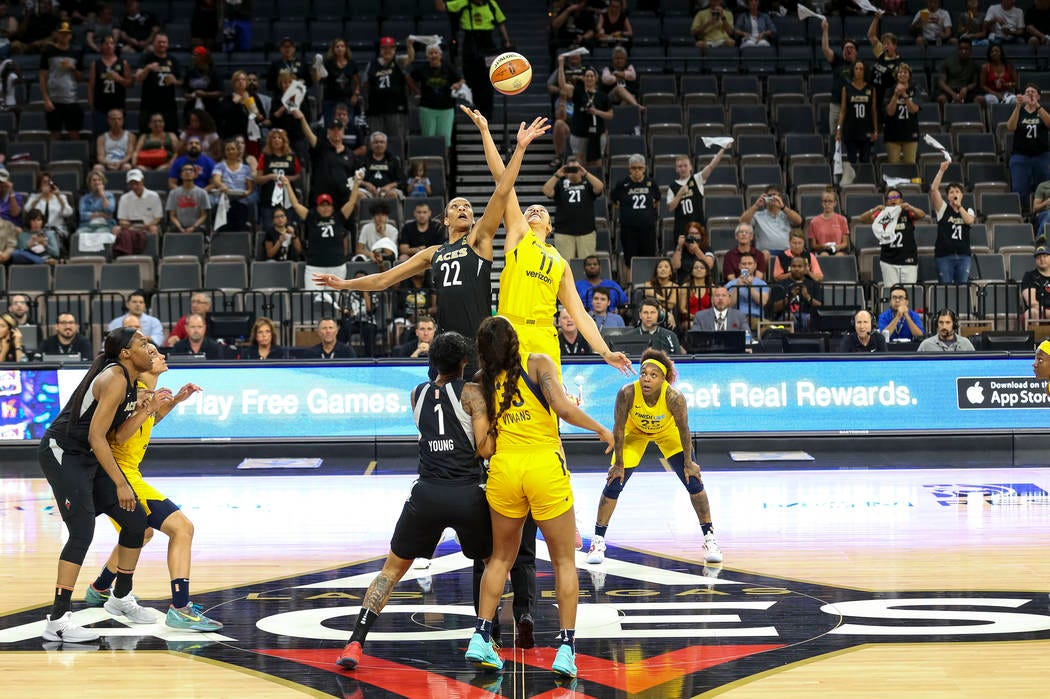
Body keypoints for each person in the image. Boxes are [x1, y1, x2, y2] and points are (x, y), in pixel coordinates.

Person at [465, 316, 613, 678]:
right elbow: (563, 409)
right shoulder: (539, 364)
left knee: (499, 559)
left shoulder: (478, 385)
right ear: (515, 341)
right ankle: (566, 648)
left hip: (504, 470)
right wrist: (600, 428)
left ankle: (481, 636)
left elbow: (483, 448)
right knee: (563, 561)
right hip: (545, 467)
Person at [337, 332, 491, 671]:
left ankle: (355, 641)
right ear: (465, 362)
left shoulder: (416, 393)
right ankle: (483, 636)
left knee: (390, 571)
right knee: (493, 562)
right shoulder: (473, 394)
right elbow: (485, 449)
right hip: (466, 492)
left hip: (427, 493)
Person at [466, 108, 632, 376]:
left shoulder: (560, 262)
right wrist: (493, 135)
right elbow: (502, 180)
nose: (534, 210)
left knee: (549, 408)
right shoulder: (520, 234)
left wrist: (605, 352)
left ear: (550, 225)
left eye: (540, 210)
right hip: (511, 329)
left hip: (545, 333)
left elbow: (579, 314)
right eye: (529, 208)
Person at [82, 342, 221, 630]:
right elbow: (120, 436)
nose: (160, 356)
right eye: (154, 353)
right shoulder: (129, 392)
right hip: (119, 477)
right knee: (182, 528)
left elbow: (148, 422)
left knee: (141, 534)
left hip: (129, 474)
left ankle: (99, 588)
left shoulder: (143, 393)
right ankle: (180, 608)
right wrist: (148, 409)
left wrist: (174, 402)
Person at [37, 327, 153, 643]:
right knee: (82, 531)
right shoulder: (114, 378)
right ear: (126, 353)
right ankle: (58, 619)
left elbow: (115, 437)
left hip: (90, 454)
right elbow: (95, 437)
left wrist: (146, 411)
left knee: (135, 522)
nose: (150, 346)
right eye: (143, 343)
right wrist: (121, 483)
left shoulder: (132, 383)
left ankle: (121, 597)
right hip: (64, 451)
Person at [586, 348, 722, 570]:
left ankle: (710, 539)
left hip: (668, 433)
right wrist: (619, 464)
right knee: (613, 483)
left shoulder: (674, 397)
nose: (646, 378)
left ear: (663, 378)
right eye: (643, 373)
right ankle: (598, 542)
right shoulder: (627, 393)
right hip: (635, 433)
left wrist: (689, 462)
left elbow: (684, 430)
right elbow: (618, 429)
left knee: (694, 481)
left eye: (653, 375)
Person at [282, 171, 362, 290]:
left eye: (328, 205)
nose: (325, 208)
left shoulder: (339, 217)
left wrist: (356, 183)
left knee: (334, 300)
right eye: (322, 205)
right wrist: (287, 185)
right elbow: (295, 205)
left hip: (337, 266)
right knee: (312, 299)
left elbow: (351, 202)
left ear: (332, 206)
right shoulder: (311, 217)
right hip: (315, 267)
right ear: (317, 207)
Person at [448, 0, 511, 119]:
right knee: (471, 76)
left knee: (488, 77)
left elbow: (501, 22)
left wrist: (507, 40)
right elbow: (442, 7)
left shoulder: (491, 4)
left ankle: (488, 111)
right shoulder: (463, 3)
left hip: (488, 44)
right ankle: (476, 108)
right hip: (470, 41)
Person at [542, 155, 604, 260]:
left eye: (576, 168)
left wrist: (586, 173)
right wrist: (557, 175)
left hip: (586, 231)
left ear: (581, 169)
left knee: (587, 263)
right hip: (564, 232)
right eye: (570, 168)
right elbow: (546, 191)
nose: (573, 171)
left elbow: (599, 187)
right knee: (565, 266)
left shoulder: (588, 183)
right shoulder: (560, 184)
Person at [857, 188, 925, 285]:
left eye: (896, 197)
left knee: (909, 292)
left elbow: (922, 215)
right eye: (890, 198)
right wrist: (875, 209)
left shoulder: (907, 212)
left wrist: (911, 207)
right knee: (892, 292)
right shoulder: (883, 214)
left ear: (901, 200)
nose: (893, 199)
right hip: (889, 261)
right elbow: (862, 219)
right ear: (886, 202)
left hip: (908, 260)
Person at [610, 154, 660, 278]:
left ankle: (649, 286)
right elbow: (614, 201)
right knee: (630, 261)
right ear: (629, 168)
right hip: (629, 230)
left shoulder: (651, 183)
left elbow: (657, 200)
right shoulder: (622, 184)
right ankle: (631, 289)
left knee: (649, 259)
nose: (637, 171)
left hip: (648, 229)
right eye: (633, 168)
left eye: (639, 168)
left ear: (644, 168)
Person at [557, 62, 612, 172]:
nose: (589, 78)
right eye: (587, 76)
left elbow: (610, 115)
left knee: (597, 162)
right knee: (580, 163)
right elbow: (562, 85)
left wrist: (596, 112)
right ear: (583, 78)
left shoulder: (602, 96)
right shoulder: (577, 91)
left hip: (597, 133)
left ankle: (597, 187)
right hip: (579, 133)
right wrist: (561, 64)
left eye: (592, 76)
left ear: (596, 78)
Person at [667, 148, 729, 245]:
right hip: (681, 229)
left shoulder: (697, 179)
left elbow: (711, 166)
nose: (683, 168)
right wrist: (679, 194)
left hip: (698, 227)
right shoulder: (672, 186)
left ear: (690, 167)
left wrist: (722, 149)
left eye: (685, 166)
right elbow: (670, 207)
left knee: (699, 256)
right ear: (676, 169)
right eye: (680, 166)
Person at [409, 43, 462, 149]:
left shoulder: (448, 66)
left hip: (446, 108)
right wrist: (417, 91)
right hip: (427, 108)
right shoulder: (422, 68)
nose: (433, 55)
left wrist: (458, 84)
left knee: (445, 139)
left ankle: (445, 163)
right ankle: (429, 162)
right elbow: (409, 78)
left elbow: (461, 79)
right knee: (428, 138)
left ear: (440, 55)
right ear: (427, 56)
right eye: (430, 53)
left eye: (435, 53)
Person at [931, 160, 976, 284]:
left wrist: (959, 207)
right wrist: (941, 170)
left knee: (961, 290)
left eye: (957, 191)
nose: (954, 194)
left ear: (962, 195)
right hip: (944, 256)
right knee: (945, 289)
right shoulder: (943, 209)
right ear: (947, 196)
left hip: (963, 256)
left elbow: (969, 221)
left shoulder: (968, 210)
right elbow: (934, 190)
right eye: (951, 192)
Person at [364, 37, 413, 148]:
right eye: (384, 48)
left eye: (390, 48)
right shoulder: (371, 64)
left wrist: (409, 46)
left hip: (395, 109)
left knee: (396, 140)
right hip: (375, 110)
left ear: (395, 49)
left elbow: (410, 58)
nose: (387, 51)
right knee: (376, 139)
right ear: (380, 49)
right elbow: (365, 84)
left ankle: (397, 162)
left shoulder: (398, 61)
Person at [1007, 84, 1050, 210]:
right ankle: (1022, 214)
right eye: (1027, 92)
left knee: (1044, 188)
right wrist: (1018, 106)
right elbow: (1010, 127)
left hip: (1041, 155)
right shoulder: (1019, 111)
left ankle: (1041, 213)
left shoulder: (1042, 110)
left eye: (1033, 91)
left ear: (1038, 96)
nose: (1030, 93)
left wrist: (1037, 106)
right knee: (1019, 189)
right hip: (1021, 156)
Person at [39, 21, 84, 141]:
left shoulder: (76, 53)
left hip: (71, 99)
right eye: (62, 33)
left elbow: (80, 78)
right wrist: (46, 99)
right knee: (55, 134)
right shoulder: (48, 51)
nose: (65, 36)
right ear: (57, 35)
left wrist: (73, 68)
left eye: (67, 33)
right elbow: (42, 76)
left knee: (74, 133)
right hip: (53, 101)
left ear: (70, 35)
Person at [255, 128, 302, 230]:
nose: (276, 140)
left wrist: (287, 179)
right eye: (274, 138)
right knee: (269, 228)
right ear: (270, 141)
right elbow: (258, 178)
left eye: (279, 138)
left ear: (284, 141)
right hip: (268, 197)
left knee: (288, 227)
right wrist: (271, 176)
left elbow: (298, 175)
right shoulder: (265, 156)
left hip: (287, 197)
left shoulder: (291, 156)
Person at [134, 33, 181, 135]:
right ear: (153, 43)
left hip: (168, 105)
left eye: (164, 42)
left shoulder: (173, 60)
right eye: (159, 42)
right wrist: (147, 68)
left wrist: (175, 81)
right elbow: (138, 78)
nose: (162, 44)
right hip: (149, 104)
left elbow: (182, 82)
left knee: (171, 134)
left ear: (167, 44)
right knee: (146, 134)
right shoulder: (146, 58)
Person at [739, 186, 802, 259]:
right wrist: (756, 205)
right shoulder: (758, 215)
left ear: (780, 198)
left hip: (786, 252)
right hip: (766, 253)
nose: (772, 198)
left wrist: (783, 207)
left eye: (775, 195)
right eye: (769, 196)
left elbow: (798, 221)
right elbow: (742, 222)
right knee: (764, 254)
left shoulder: (787, 214)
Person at [821, 20, 860, 134]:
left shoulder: (860, 65)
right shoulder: (837, 61)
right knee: (835, 133)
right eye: (846, 48)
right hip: (836, 104)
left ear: (856, 52)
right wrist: (825, 30)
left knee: (851, 134)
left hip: (852, 104)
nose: (848, 49)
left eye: (851, 48)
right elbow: (825, 49)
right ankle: (835, 152)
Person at [88, 35, 132, 137]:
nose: (109, 46)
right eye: (106, 43)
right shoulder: (96, 64)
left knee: (118, 138)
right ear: (102, 46)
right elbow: (91, 86)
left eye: (112, 43)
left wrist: (119, 79)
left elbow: (130, 84)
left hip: (118, 107)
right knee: (100, 137)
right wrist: (91, 105)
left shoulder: (123, 63)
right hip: (100, 108)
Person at [837, 60, 878, 165]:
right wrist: (838, 130)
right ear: (853, 71)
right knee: (852, 161)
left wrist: (876, 130)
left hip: (866, 130)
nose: (859, 71)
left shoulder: (871, 89)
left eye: (861, 69)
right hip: (850, 130)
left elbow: (873, 110)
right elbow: (842, 111)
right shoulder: (846, 88)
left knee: (865, 161)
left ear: (865, 71)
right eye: (856, 68)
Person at [208, 139, 255, 232]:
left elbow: (250, 189)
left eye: (232, 149)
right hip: (224, 200)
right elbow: (216, 179)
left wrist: (247, 193)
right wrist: (221, 185)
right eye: (227, 149)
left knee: (240, 216)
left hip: (241, 200)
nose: (230, 151)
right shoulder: (219, 166)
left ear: (238, 151)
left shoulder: (246, 169)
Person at [882, 63, 923, 165]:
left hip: (910, 134)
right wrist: (896, 95)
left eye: (905, 72)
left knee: (910, 164)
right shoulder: (890, 90)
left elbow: (914, 109)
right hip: (892, 134)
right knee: (894, 165)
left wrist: (905, 95)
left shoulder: (915, 89)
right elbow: (890, 112)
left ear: (909, 75)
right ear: (896, 75)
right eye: (900, 72)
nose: (902, 74)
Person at [770, 256, 824, 331]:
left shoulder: (813, 284)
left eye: (800, 266)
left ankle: (808, 340)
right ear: (790, 268)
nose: (796, 269)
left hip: (807, 315)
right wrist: (790, 297)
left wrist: (807, 296)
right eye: (794, 266)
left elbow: (820, 307)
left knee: (809, 318)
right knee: (788, 317)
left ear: (805, 268)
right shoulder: (781, 285)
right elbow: (774, 308)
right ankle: (789, 340)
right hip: (785, 316)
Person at [315, 38, 360, 123]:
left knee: (348, 124)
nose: (340, 48)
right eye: (337, 46)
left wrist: (356, 95)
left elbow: (357, 82)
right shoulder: (327, 63)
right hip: (330, 99)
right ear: (333, 49)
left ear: (346, 48)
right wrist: (317, 68)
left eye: (342, 46)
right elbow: (318, 79)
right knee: (330, 125)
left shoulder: (352, 64)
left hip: (347, 99)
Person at [724, 251, 769, 328]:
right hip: (735, 319)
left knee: (772, 329)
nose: (747, 266)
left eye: (750, 264)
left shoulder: (761, 284)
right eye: (744, 264)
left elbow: (763, 302)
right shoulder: (731, 284)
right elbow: (728, 305)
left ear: (755, 266)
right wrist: (737, 287)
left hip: (756, 318)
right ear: (739, 266)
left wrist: (750, 287)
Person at [25, 172, 74, 242]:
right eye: (44, 182)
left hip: (56, 229)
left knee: (49, 236)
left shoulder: (61, 197)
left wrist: (58, 197)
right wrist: (40, 196)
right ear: (39, 185)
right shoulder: (34, 197)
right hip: (38, 230)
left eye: (48, 182)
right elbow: (28, 209)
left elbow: (68, 213)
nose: (46, 184)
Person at [357, 131, 404, 201]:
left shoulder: (393, 160)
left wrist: (389, 186)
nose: (379, 145)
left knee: (392, 194)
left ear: (386, 144)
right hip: (367, 191)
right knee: (358, 195)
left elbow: (401, 180)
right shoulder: (363, 160)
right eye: (376, 142)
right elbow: (355, 179)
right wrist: (366, 184)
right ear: (371, 144)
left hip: (388, 191)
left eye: (382, 142)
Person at [867, 15, 903, 107]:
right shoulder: (880, 53)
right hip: (873, 93)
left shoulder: (899, 63)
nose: (885, 46)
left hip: (886, 98)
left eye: (888, 43)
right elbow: (871, 35)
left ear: (895, 46)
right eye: (883, 44)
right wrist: (876, 18)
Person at [166, 162, 211, 234]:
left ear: (195, 175)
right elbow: (172, 216)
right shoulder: (173, 193)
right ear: (180, 175)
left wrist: (193, 227)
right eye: (185, 170)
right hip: (178, 227)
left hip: (197, 227)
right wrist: (180, 228)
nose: (188, 172)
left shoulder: (202, 193)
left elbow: (204, 215)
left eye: (191, 170)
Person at [183, 46, 222, 124]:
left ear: (202, 57)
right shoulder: (190, 72)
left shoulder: (214, 73)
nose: (193, 57)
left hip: (210, 110)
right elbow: (185, 91)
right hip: (192, 109)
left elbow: (220, 92)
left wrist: (205, 94)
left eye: (195, 55)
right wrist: (190, 96)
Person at [936, 38, 980, 106]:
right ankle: (944, 117)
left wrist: (966, 88)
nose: (963, 51)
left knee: (981, 99)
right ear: (958, 49)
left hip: (966, 92)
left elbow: (974, 83)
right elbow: (941, 83)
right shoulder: (947, 62)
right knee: (941, 99)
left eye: (966, 49)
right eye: (961, 49)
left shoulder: (974, 65)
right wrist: (953, 94)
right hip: (950, 91)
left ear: (971, 50)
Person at [640, 258, 680, 332]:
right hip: (652, 314)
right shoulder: (648, 284)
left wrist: (657, 297)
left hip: (668, 315)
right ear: (656, 271)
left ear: (671, 272)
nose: (663, 269)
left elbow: (671, 305)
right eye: (660, 267)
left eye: (666, 267)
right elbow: (651, 304)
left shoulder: (675, 286)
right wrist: (667, 313)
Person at [806, 188, 850, 256]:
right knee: (824, 255)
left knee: (839, 256)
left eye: (830, 201)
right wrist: (823, 246)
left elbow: (845, 243)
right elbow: (813, 245)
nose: (827, 204)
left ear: (835, 203)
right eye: (825, 201)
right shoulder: (814, 222)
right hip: (821, 251)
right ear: (822, 203)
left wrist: (838, 247)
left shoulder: (842, 220)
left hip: (838, 250)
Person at [356, 200, 400, 266]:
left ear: (387, 217)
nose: (380, 217)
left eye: (383, 215)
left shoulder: (393, 230)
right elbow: (359, 250)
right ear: (373, 217)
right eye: (377, 215)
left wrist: (383, 234)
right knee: (359, 258)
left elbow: (388, 253)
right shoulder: (366, 228)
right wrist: (370, 254)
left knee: (390, 258)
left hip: (385, 257)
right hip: (369, 256)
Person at [599, 46, 642, 110]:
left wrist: (620, 74)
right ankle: (637, 107)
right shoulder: (607, 69)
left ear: (625, 59)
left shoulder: (630, 67)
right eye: (617, 58)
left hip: (628, 96)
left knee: (627, 100)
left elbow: (633, 76)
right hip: (612, 96)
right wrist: (621, 76)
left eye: (621, 58)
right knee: (619, 88)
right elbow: (606, 80)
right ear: (613, 59)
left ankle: (620, 117)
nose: (619, 61)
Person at [679, 258, 715, 328]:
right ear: (692, 271)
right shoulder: (686, 286)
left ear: (706, 271)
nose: (699, 269)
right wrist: (694, 317)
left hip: (707, 319)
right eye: (696, 268)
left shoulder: (711, 287)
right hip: (689, 320)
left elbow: (714, 308)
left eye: (702, 268)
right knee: (694, 325)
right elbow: (682, 309)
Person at [1021, 243, 1050, 323]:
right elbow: (1031, 301)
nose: (1042, 259)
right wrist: (1046, 312)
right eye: (1038, 257)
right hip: (1039, 311)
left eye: (1045, 256)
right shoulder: (1030, 276)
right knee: (1032, 313)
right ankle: (1035, 335)